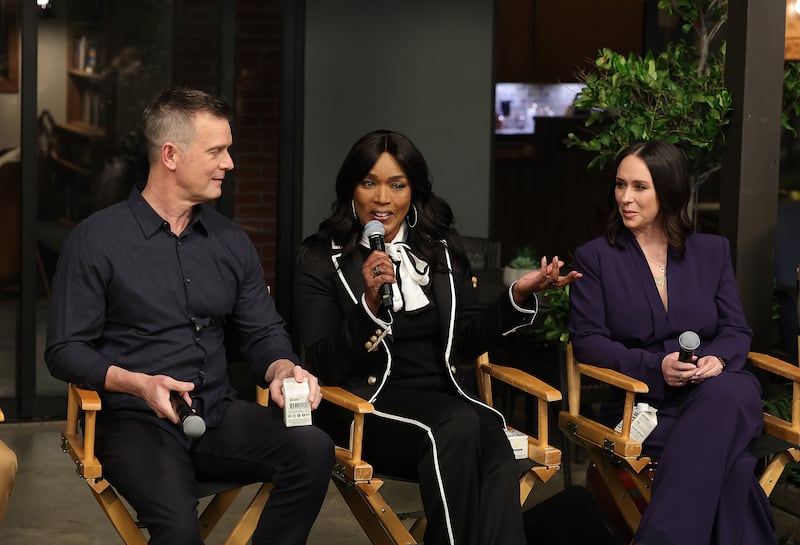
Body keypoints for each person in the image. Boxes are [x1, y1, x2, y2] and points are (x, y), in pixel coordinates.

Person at [45, 87, 334, 545]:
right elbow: (64, 351)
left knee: (314, 449)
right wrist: (139, 383)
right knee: (179, 530)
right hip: (134, 423)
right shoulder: (96, 240)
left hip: (215, 414)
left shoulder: (230, 240)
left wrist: (282, 367)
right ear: (171, 155)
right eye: (217, 151)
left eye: (229, 150)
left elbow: (263, 331)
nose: (229, 163)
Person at [294, 129, 581, 545]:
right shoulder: (321, 259)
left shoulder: (441, 251)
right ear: (350, 189)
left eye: (398, 185)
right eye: (369, 182)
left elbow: (465, 341)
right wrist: (369, 309)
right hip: (365, 410)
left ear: (414, 192)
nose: (382, 199)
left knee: (491, 439)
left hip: (445, 407)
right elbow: (321, 364)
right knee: (462, 424)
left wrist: (517, 295)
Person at [569, 140, 776, 545]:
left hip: (714, 395)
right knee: (732, 471)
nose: (625, 198)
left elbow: (737, 331)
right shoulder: (595, 258)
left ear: (669, 190)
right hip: (642, 406)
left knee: (732, 387)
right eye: (619, 185)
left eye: (639, 187)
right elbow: (588, 343)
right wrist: (655, 367)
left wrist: (716, 359)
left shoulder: (711, 251)